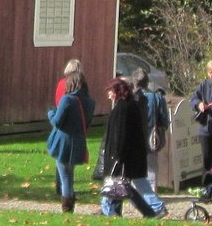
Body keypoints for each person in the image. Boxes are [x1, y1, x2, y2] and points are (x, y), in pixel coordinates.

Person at [99, 76, 150, 217]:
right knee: (122, 187)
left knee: (117, 186)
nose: (108, 95)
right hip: (127, 155)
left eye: (110, 91)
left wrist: (117, 155)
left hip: (122, 157)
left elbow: (121, 134)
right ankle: (148, 212)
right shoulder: (127, 105)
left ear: (117, 91)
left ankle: (113, 213)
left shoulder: (123, 108)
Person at [131, 66, 169, 217]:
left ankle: (142, 197)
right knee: (152, 167)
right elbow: (164, 120)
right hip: (152, 136)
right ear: (147, 82)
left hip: (136, 137)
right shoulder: (156, 97)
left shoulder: (132, 97)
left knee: (136, 170)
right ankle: (152, 195)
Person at [47, 81, 90, 213]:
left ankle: (67, 207)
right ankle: (70, 204)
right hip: (78, 142)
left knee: (65, 177)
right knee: (69, 176)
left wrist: (50, 114)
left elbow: (57, 122)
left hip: (64, 144)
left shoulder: (67, 100)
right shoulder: (86, 101)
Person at [53, 60, 95, 196]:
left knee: (63, 169)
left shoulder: (64, 90)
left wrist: (51, 114)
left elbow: (59, 111)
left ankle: (66, 200)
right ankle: (67, 194)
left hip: (64, 131)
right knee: (69, 171)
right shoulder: (89, 100)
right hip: (79, 135)